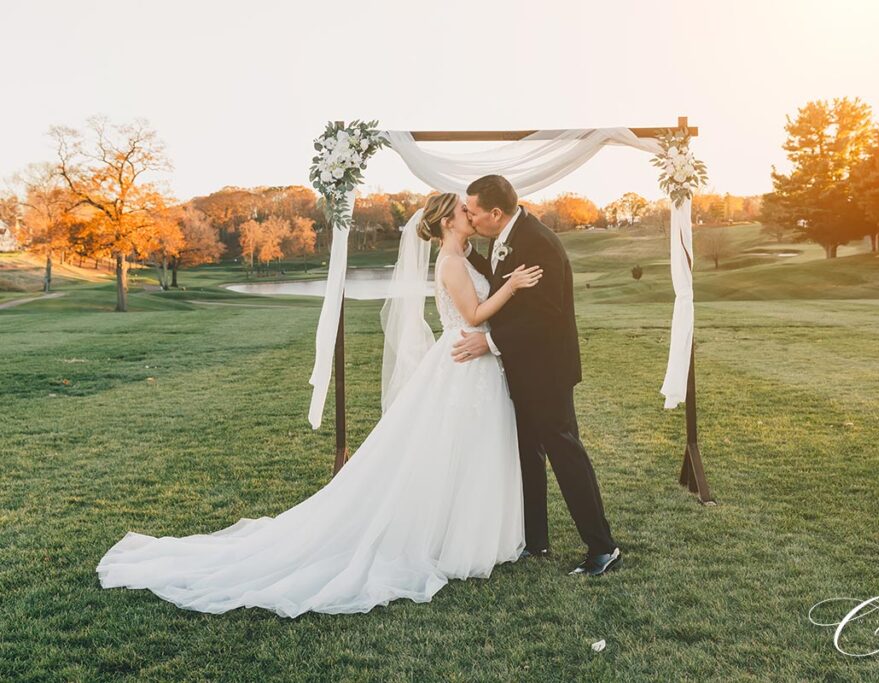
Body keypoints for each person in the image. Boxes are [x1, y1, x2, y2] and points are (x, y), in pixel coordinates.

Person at [96, 192, 542, 617]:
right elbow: (473, 316)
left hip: (472, 364)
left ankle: (465, 533)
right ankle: (452, 539)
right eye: (465, 210)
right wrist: (515, 287)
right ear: (448, 221)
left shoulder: (466, 258)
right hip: (461, 363)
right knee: (453, 446)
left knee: (467, 450)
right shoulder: (450, 261)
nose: (472, 214)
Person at [453, 174, 622, 577]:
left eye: (473, 212)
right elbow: (502, 282)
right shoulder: (503, 236)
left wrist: (490, 344)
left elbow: (547, 317)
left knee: (565, 451)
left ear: (495, 213)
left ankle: (603, 547)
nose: (470, 218)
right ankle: (536, 540)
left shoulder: (539, 243)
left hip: (547, 368)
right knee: (527, 452)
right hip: (521, 367)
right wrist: (466, 255)